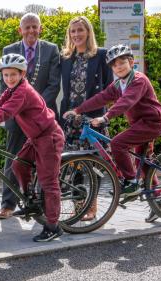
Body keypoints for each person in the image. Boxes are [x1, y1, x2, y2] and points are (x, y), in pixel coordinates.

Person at [63, 44, 161, 221]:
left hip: (152, 123)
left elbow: (126, 102)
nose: (118, 67)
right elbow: (101, 97)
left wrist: (106, 118)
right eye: (114, 65)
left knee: (118, 143)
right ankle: (158, 201)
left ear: (131, 62)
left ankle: (131, 182)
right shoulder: (118, 83)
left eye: (122, 62)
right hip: (140, 125)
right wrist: (78, 110)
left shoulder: (138, 80)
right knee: (145, 162)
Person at [0, 53, 65, 242]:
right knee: (18, 165)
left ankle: (53, 226)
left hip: (48, 137)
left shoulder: (22, 91)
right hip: (36, 137)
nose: (9, 78)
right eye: (6, 75)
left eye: (13, 74)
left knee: (49, 182)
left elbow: (7, 111)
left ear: (22, 74)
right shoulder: (12, 89)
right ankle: (31, 201)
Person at [0, 13, 61, 220]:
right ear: (20, 30)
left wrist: (32, 104)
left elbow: (54, 84)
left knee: (44, 162)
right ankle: (8, 204)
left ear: (40, 29)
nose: (31, 30)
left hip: (41, 119)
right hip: (15, 119)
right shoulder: (9, 50)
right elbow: (2, 85)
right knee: (12, 159)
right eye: (27, 27)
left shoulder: (51, 49)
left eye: (35, 27)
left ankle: (41, 204)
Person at [60, 16, 113, 221]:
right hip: (71, 119)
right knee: (74, 165)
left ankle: (92, 206)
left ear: (88, 32)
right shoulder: (65, 57)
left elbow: (109, 88)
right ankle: (79, 206)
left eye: (80, 30)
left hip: (92, 119)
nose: (76, 35)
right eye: (73, 31)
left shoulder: (100, 55)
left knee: (94, 164)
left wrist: (102, 115)